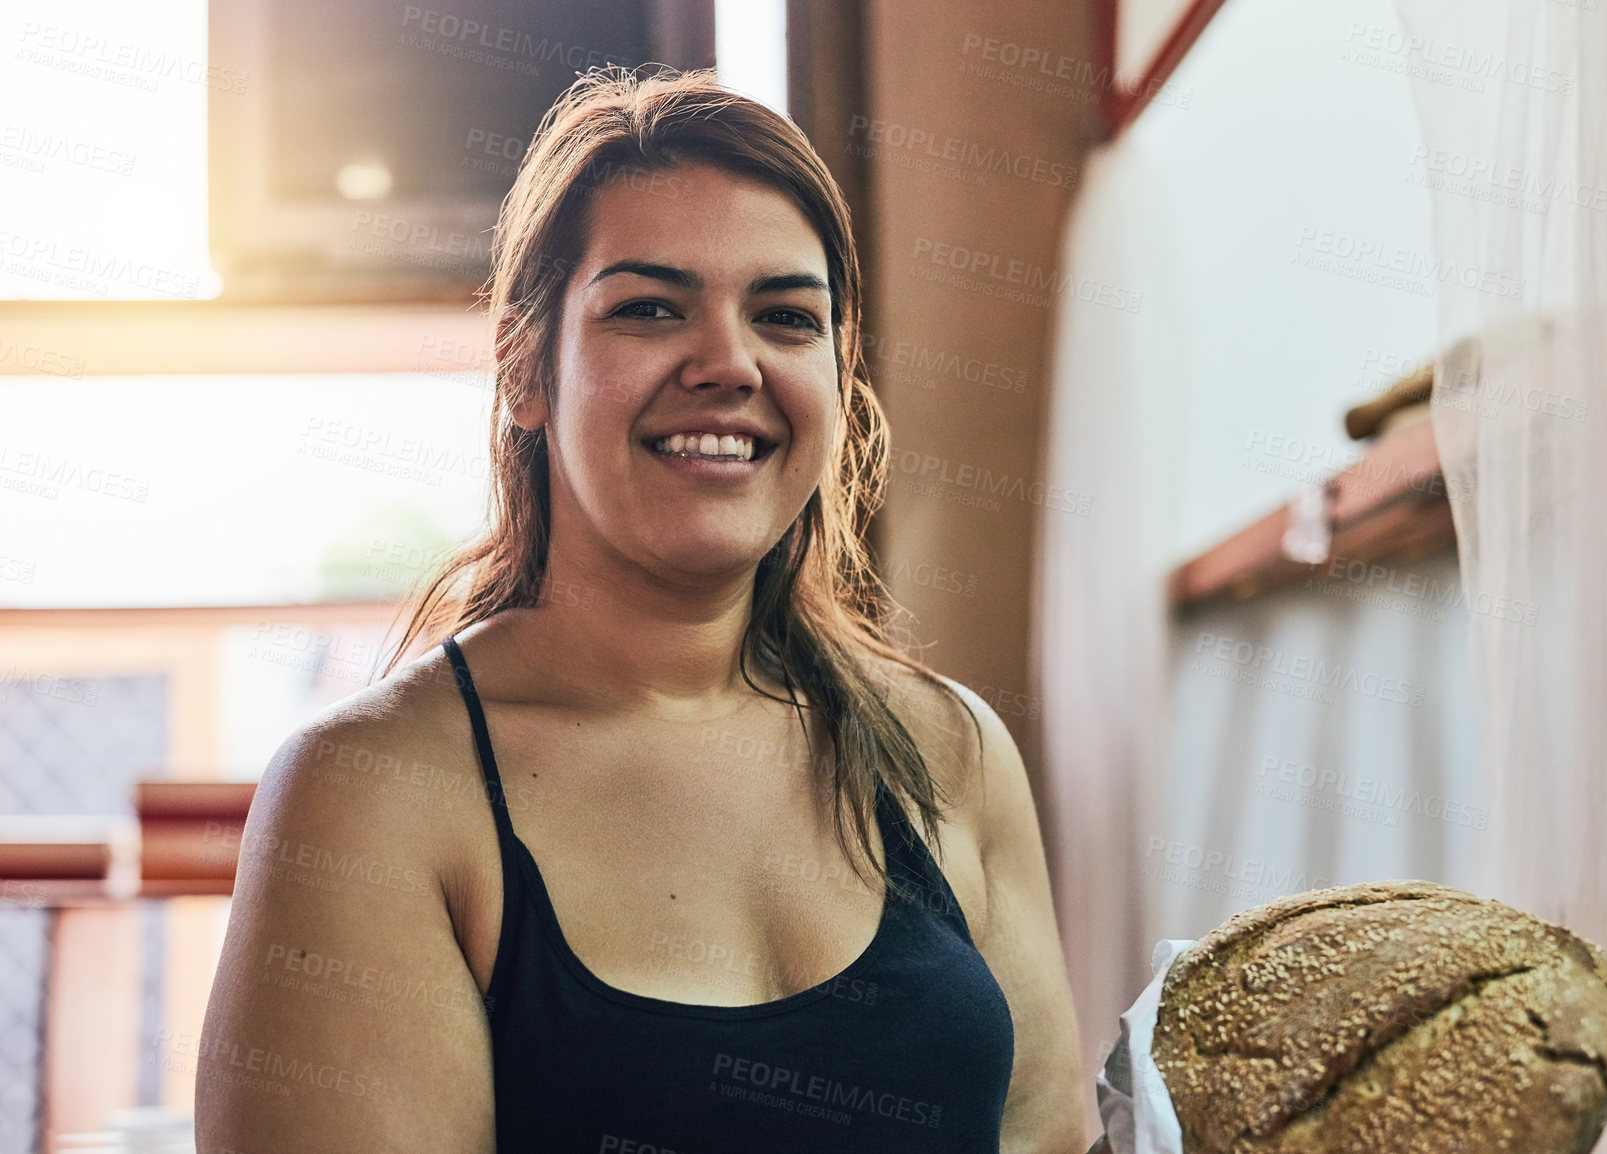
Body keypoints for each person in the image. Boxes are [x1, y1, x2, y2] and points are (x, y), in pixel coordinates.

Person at [197, 66, 1086, 1152]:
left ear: (841, 380)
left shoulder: (952, 748)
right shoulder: (372, 793)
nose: (729, 362)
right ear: (527, 367)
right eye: (650, 308)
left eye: (786, 316)